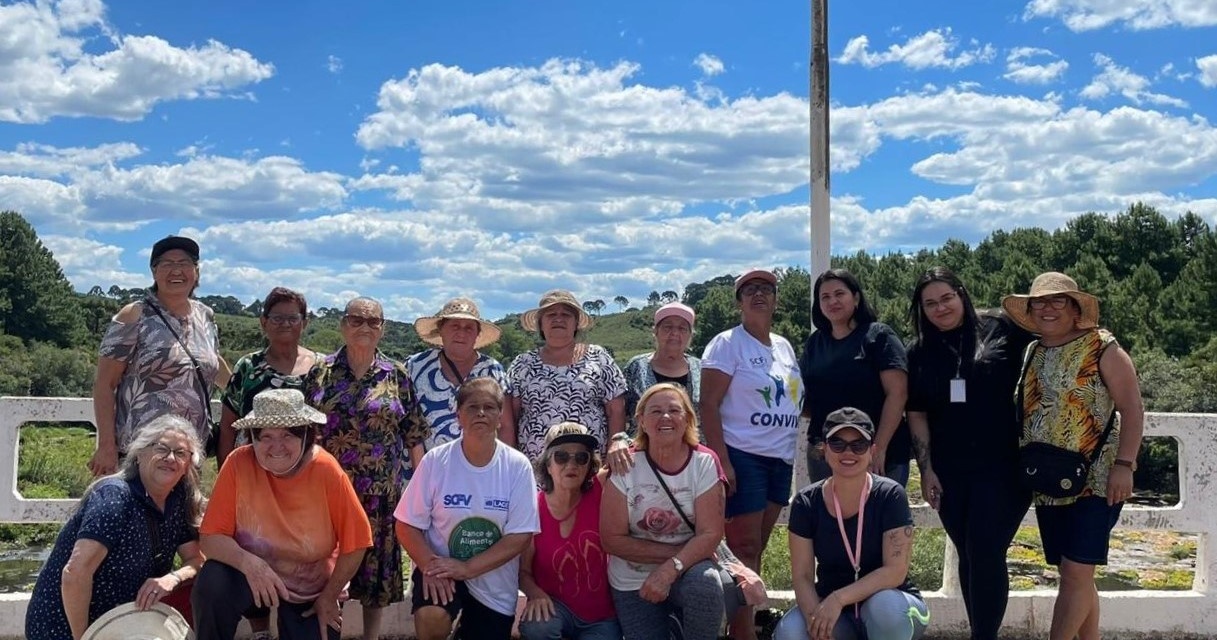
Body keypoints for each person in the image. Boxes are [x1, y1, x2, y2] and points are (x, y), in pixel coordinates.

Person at [1001, 272, 1144, 640]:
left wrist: (1125, 465)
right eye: (1039, 303)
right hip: (1048, 478)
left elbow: (1132, 408)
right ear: (1030, 310)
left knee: (1076, 572)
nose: (1048, 309)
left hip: (1097, 478)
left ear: (1075, 307)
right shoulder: (1033, 351)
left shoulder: (1102, 346)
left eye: (1057, 301)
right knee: (1077, 573)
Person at [906, 267, 1032, 640]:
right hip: (949, 469)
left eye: (946, 297)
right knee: (969, 552)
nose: (940, 308)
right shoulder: (919, 352)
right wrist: (926, 470)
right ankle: (981, 631)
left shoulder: (1002, 328)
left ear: (961, 293)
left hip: (1004, 464)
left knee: (986, 549)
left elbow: (1052, 343)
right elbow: (917, 414)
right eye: (930, 303)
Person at [192, 388, 373, 640]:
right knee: (213, 582)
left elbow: (357, 542)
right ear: (252, 438)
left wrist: (329, 597)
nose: (276, 446)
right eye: (265, 436)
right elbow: (211, 538)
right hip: (251, 575)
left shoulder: (325, 470)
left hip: (310, 584)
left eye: (288, 434)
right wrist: (249, 563)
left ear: (306, 435)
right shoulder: (238, 463)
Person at [304, 296, 430, 640]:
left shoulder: (397, 375)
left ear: (383, 329)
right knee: (328, 566)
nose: (364, 327)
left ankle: (371, 637)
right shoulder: (321, 372)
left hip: (380, 494)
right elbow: (306, 434)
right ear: (343, 325)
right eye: (356, 320)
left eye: (373, 321)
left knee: (374, 578)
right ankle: (329, 629)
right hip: (328, 492)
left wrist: (421, 494)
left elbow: (414, 436)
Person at [26, 415, 206, 640]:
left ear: (188, 464)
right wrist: (84, 636)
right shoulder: (114, 497)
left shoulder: (177, 498)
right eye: (161, 448)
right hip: (69, 625)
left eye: (180, 453)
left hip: (130, 622)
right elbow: (75, 573)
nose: (170, 458)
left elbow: (196, 560)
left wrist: (173, 578)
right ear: (140, 454)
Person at [700, 268, 803, 640]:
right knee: (743, 547)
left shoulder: (784, 347)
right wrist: (722, 460)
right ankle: (742, 634)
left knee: (756, 547)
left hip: (780, 459)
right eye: (749, 290)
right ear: (740, 301)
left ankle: (739, 626)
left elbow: (795, 399)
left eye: (766, 289)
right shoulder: (727, 343)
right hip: (743, 454)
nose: (758, 294)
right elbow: (708, 404)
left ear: (776, 299)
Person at [394, 378, 540, 640]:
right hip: (441, 571)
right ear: (458, 415)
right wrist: (429, 565)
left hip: (492, 581)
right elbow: (406, 524)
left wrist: (469, 568)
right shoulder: (436, 461)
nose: (481, 413)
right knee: (431, 617)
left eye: (489, 407)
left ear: (500, 417)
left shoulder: (517, 466)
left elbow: (520, 536)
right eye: (472, 407)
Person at [773, 408, 929, 640]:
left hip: (891, 606)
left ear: (872, 451)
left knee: (885, 609)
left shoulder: (890, 495)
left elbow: (895, 571)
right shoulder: (806, 502)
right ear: (824, 449)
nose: (848, 452)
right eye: (837, 444)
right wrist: (816, 621)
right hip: (839, 614)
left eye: (859, 445)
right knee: (791, 633)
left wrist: (838, 598)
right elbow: (802, 576)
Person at [602, 382, 727, 640]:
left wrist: (671, 568)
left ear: (688, 419)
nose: (666, 417)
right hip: (632, 576)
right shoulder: (626, 464)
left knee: (706, 585)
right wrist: (675, 557)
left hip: (688, 569)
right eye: (656, 411)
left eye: (674, 410)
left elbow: (710, 533)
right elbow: (611, 539)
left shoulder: (704, 462)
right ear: (641, 421)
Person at [90, 235, 220, 477]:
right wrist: (106, 445)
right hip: (140, 450)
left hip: (188, 451)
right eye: (167, 264)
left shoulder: (206, 316)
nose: (176, 270)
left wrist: (246, 389)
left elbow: (211, 364)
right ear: (154, 272)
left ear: (196, 271)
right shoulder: (134, 315)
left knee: (182, 514)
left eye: (184, 263)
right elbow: (104, 384)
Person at [801, 268, 909, 486]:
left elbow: (898, 393)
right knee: (829, 518)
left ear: (856, 297)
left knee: (877, 519)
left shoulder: (878, 336)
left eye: (839, 294)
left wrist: (878, 448)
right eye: (825, 297)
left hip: (876, 454)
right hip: (826, 455)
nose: (833, 301)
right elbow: (805, 398)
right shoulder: (815, 343)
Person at [519, 422, 620, 640]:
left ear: (589, 465)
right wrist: (535, 594)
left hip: (601, 617)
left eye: (581, 458)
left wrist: (621, 440)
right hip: (554, 608)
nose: (571, 464)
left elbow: (635, 451)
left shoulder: (601, 488)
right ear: (547, 464)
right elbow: (523, 572)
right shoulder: (532, 509)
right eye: (561, 457)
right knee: (538, 627)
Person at [507, 289, 627, 459]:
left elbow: (616, 410)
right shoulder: (522, 364)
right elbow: (509, 419)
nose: (558, 319)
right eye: (551, 314)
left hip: (589, 465)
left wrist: (614, 450)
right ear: (540, 324)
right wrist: (511, 463)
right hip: (536, 470)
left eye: (566, 314)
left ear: (576, 323)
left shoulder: (599, 357)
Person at [218, 287, 321, 467]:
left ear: (305, 323)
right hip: (254, 470)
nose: (285, 324)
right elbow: (228, 427)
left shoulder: (322, 367)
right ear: (263, 322)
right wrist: (226, 475)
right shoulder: (248, 367)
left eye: (293, 318)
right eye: (277, 318)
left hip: (311, 470)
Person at [406, 297, 511, 458]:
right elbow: (406, 424)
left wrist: (505, 468)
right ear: (441, 330)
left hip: (480, 469)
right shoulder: (415, 366)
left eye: (469, 328)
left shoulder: (493, 370)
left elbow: (505, 426)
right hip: (424, 467)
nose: (461, 333)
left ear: (477, 334)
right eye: (455, 326)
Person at [622, 302, 702, 435]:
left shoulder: (701, 369)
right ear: (655, 332)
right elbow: (619, 412)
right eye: (667, 327)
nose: (675, 333)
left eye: (682, 328)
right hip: (642, 449)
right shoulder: (635, 366)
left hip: (691, 451)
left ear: (690, 335)